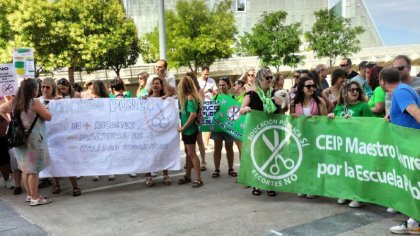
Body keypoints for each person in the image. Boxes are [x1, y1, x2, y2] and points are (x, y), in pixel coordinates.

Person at [378, 68, 420, 235]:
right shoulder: (404, 90)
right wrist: (392, 117)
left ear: (382, 81)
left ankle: (414, 222)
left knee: (415, 183)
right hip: (409, 146)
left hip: (413, 146)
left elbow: (416, 113)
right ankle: (415, 221)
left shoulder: (400, 92)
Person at [240, 68, 285, 197]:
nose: (271, 80)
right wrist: (246, 109)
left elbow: (283, 111)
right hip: (258, 132)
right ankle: (257, 184)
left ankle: (270, 184)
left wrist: (282, 104)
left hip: (273, 131)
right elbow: (240, 110)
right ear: (260, 79)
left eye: (272, 78)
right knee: (258, 158)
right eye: (268, 78)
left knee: (272, 158)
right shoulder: (252, 94)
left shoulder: (276, 94)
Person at [328, 81, 373, 208]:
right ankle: (346, 193)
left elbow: (371, 125)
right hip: (342, 145)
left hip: (358, 144)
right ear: (345, 92)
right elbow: (334, 124)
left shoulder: (363, 106)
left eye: (357, 90)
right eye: (351, 90)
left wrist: (355, 122)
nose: (355, 92)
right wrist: (331, 117)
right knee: (345, 169)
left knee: (357, 170)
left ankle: (359, 196)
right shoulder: (339, 107)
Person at [13, 79, 52, 206]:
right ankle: (36, 198)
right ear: (33, 89)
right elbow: (48, 117)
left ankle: (30, 195)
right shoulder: (34, 102)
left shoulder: (16, 102)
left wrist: (10, 120)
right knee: (34, 171)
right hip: (34, 140)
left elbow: (1, 109)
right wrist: (45, 108)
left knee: (25, 169)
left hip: (20, 139)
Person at [290, 77, 327, 198]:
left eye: (313, 86)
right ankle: (302, 185)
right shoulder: (294, 103)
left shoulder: (319, 101)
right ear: (301, 88)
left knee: (314, 163)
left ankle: (313, 187)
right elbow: (291, 122)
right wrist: (293, 118)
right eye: (308, 86)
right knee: (302, 162)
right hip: (301, 137)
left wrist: (315, 120)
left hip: (315, 137)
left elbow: (325, 120)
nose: (312, 88)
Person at [48, 78, 82, 197]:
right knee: (54, 160)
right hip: (56, 132)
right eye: (59, 88)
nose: (62, 90)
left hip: (70, 132)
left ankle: (75, 186)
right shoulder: (55, 98)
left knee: (69, 160)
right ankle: (56, 184)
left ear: (68, 87)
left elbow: (82, 109)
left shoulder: (76, 95)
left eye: (64, 88)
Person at [144, 77, 172, 186]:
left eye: (157, 84)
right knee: (149, 153)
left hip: (162, 130)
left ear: (161, 86)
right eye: (153, 84)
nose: (155, 85)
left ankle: (166, 175)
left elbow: (176, 99)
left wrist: (168, 98)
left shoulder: (165, 99)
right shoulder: (146, 98)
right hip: (149, 131)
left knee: (163, 152)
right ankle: (148, 176)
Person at [177, 75, 203, 188]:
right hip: (188, 130)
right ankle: (187, 176)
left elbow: (193, 115)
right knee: (188, 153)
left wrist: (183, 127)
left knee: (192, 154)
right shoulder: (188, 97)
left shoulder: (190, 98)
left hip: (189, 130)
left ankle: (198, 179)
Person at [211, 77, 237, 179]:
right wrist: (214, 108)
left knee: (229, 148)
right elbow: (208, 112)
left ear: (229, 86)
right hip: (218, 127)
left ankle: (231, 168)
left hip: (229, 127)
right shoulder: (215, 97)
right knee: (217, 148)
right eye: (220, 85)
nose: (221, 87)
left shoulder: (233, 98)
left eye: (224, 85)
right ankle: (216, 169)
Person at [185, 71, 207, 171]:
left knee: (199, 140)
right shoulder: (185, 92)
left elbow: (202, 105)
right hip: (188, 119)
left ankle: (203, 161)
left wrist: (198, 115)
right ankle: (189, 161)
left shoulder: (199, 90)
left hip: (197, 118)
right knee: (188, 143)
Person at [0, 96, 13, 189]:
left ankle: (7, 179)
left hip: (1, 134)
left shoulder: (1, 97)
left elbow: (6, 108)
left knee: (3, 158)